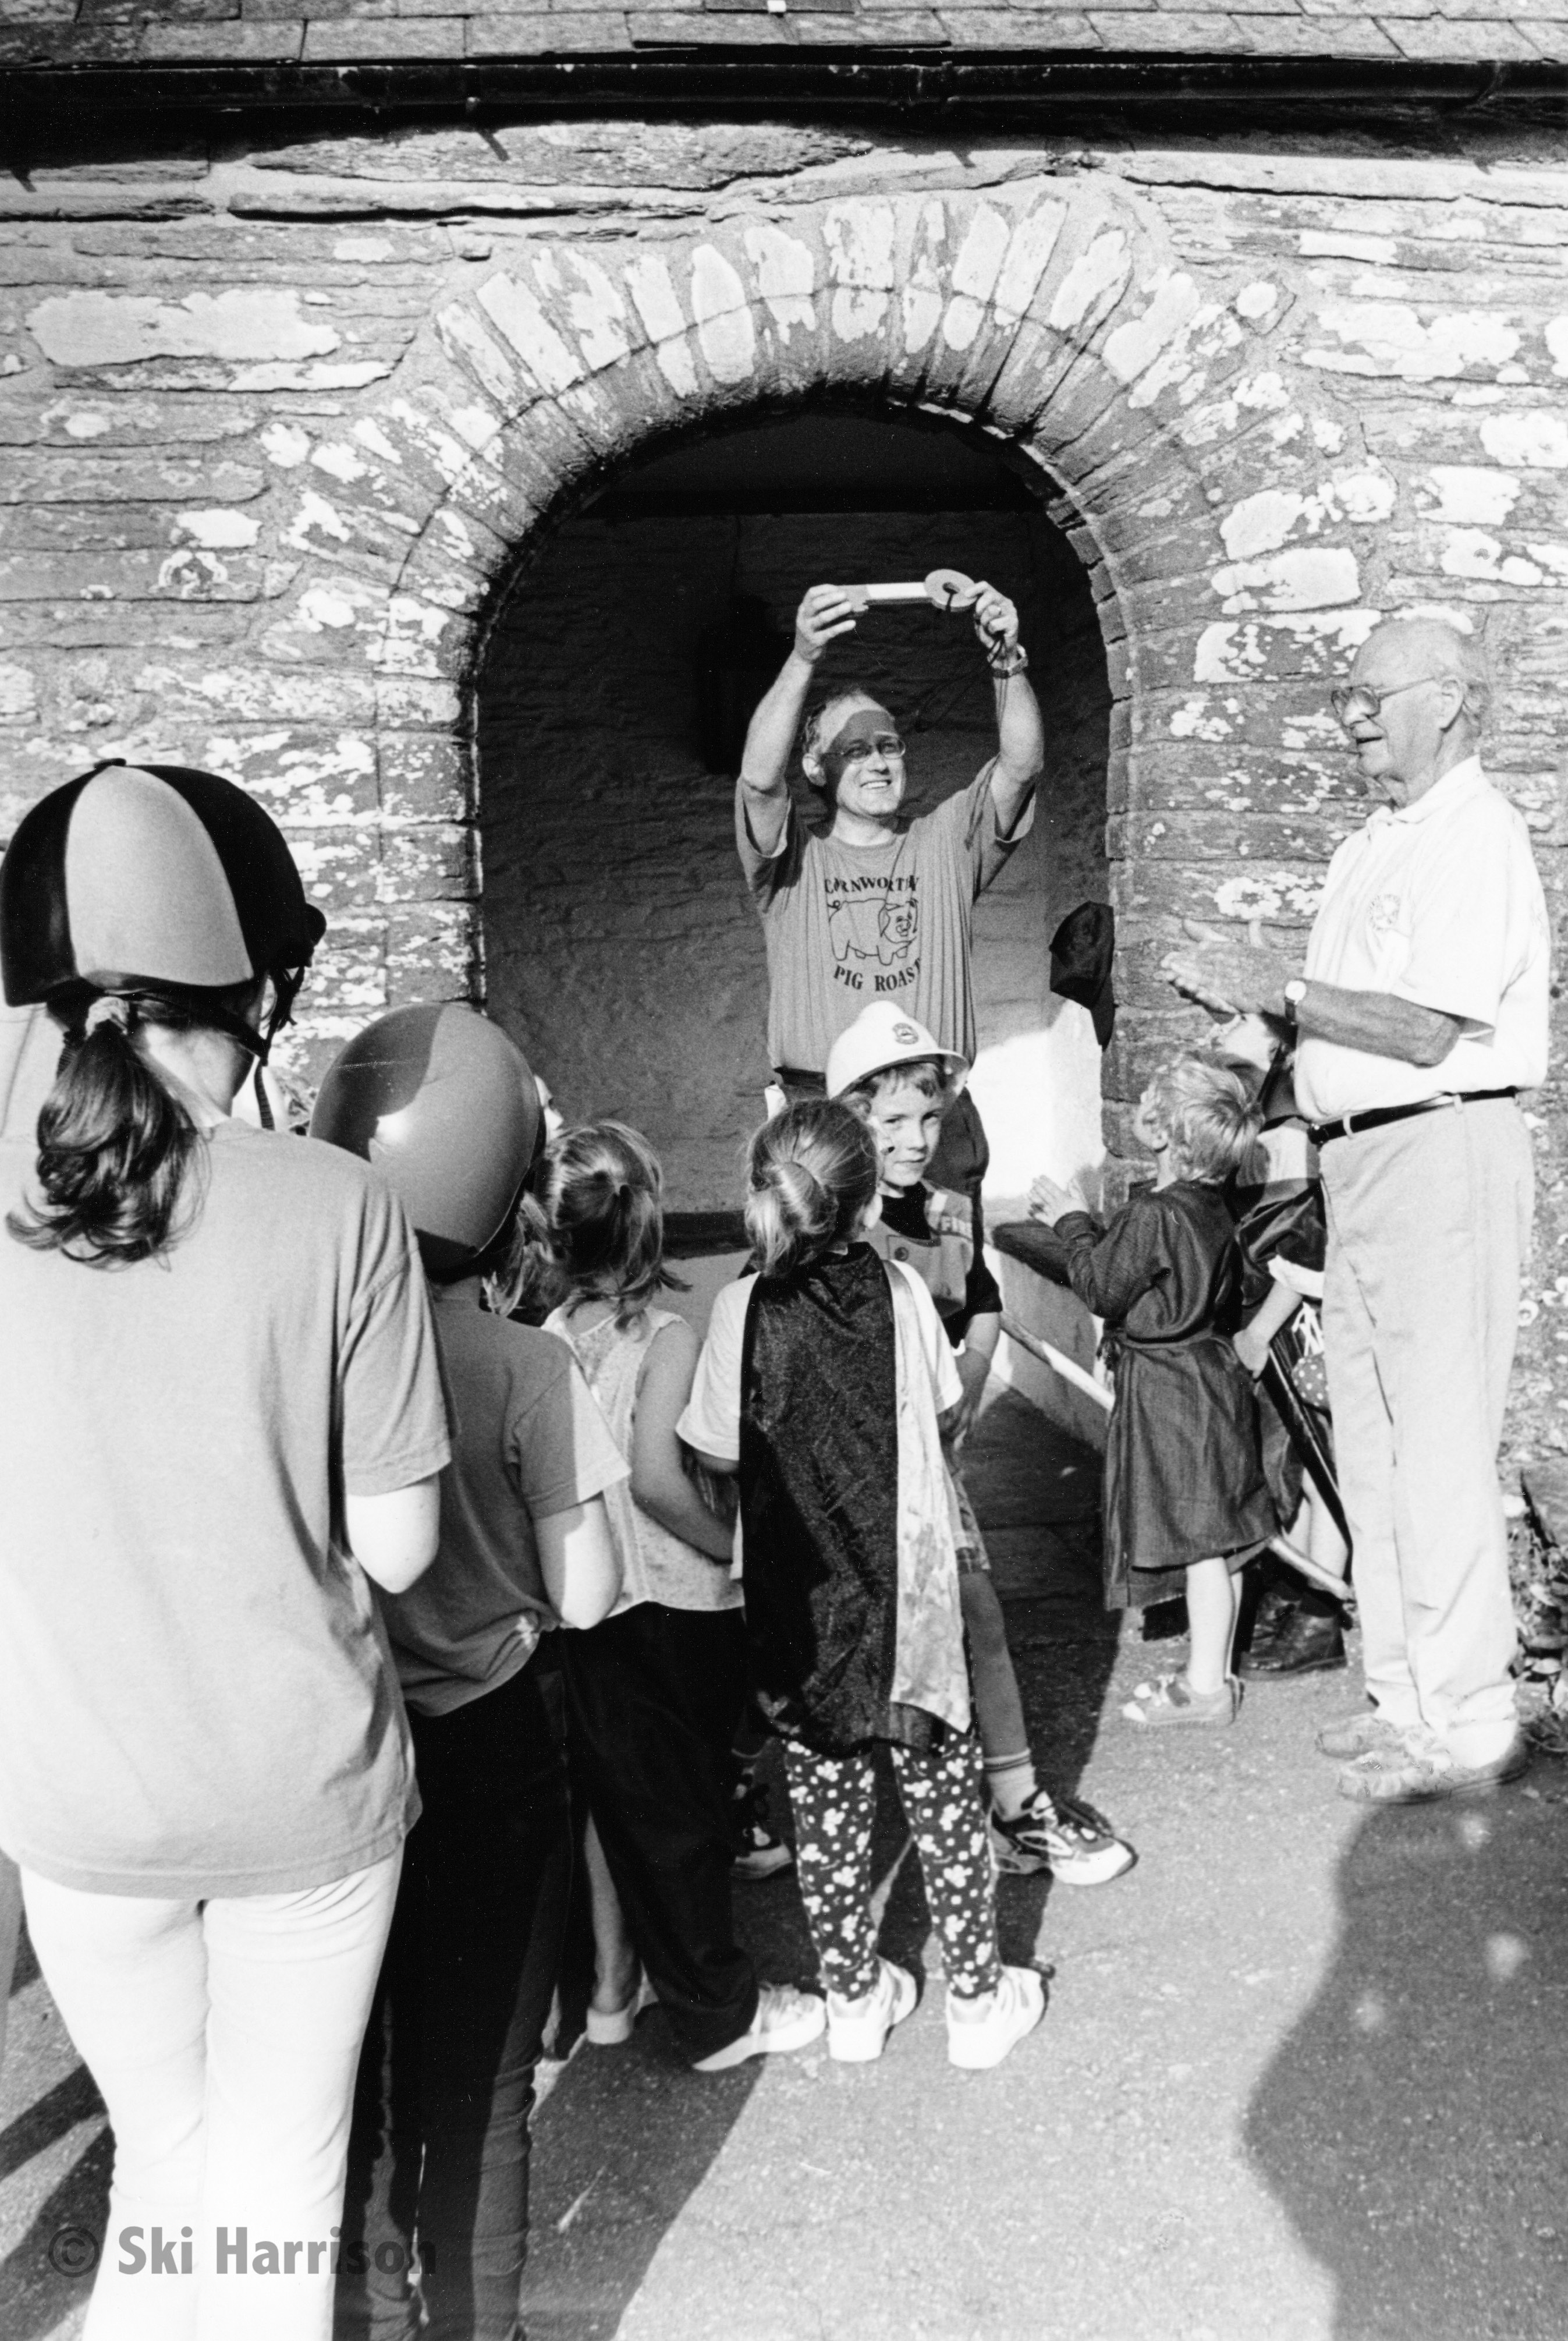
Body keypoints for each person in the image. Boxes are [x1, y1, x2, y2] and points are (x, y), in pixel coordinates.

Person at [0, 760, 450, 2341]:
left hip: (78, 1801)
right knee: (273, 2192)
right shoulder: (332, 1204)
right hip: (295, 1792)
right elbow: (398, 1551)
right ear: (252, 989)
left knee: (164, 2172)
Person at [1165, 617, 1549, 1802]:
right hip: (1356, 1160)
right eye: (1344, 702)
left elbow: (1428, 1027)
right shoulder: (1372, 845)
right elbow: (1322, 1023)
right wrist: (1262, 1036)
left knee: (1436, 1443)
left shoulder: (1478, 837)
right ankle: (1403, 1698)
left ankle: (1473, 1720)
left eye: (1366, 699)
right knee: (1374, 1447)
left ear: (1447, 698)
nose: (1350, 724)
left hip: (1441, 1148)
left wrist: (1284, 993)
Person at [312, 1004, 627, 2341]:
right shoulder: (529, 1363)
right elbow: (588, 1590)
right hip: (498, 1737)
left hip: (351, 1737)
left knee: (358, 2058)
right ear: (507, 1215)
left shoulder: (315, 1353)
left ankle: (368, 2298)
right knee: (484, 2083)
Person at [680, 1099, 1045, 2069]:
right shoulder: (898, 1291)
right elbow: (944, 1407)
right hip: (909, 1597)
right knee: (940, 1797)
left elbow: (712, 1445)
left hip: (799, 1611)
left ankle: (852, 1999)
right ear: (861, 1199)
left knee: (827, 1813)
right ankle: (974, 2000)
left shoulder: (737, 1309)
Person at [530, 1120, 825, 2075]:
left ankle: (620, 1991)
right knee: (689, 1818)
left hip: (585, 1609)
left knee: (624, 1812)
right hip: (672, 1608)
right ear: (648, 1225)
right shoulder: (664, 1338)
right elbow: (660, 1481)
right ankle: (717, 2014)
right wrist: (737, 1555)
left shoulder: (542, 1343)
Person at [825, 1001, 1134, 1884]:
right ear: (855, 1122)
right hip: (853, 1473)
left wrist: (969, 1365)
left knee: (979, 1619)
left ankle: (1014, 1806)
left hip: (935, 1466)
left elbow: (984, 1299)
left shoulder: (949, 1211)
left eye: (929, 1116)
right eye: (892, 1121)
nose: (917, 1138)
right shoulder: (833, 1227)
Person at [735, 578, 1043, 1192]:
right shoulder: (794, 858)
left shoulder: (946, 840)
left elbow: (1021, 766)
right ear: (817, 768)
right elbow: (760, 779)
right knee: (816, 1284)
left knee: (948, 1286)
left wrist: (1006, 659)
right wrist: (803, 656)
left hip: (932, 1113)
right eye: (854, 750)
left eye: (888, 746)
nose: (877, 762)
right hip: (821, 1114)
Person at [1030, 1053, 1276, 1726]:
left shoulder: (1158, 1214)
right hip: (1210, 1374)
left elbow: (1103, 1286)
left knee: (1199, 1541)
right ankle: (1210, 1670)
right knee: (1217, 1541)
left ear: (1164, 1132)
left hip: (1170, 1389)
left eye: (1150, 1096)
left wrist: (1072, 1222)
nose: (1138, 1097)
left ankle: (1206, 1693)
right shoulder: (1212, 1208)